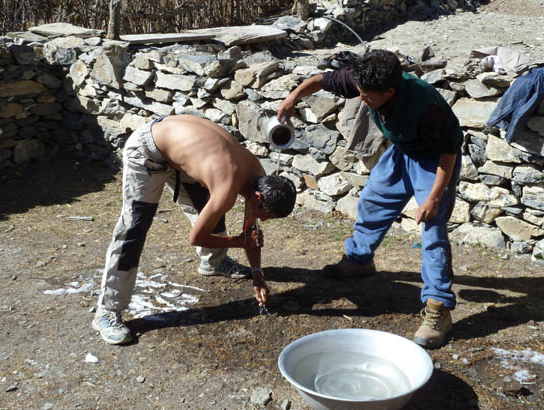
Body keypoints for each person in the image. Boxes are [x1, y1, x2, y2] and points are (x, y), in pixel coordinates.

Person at [277, 49, 463, 348]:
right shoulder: (365, 78)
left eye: (367, 96)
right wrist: (292, 97)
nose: (362, 99)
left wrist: (434, 197)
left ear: (390, 90)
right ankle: (360, 261)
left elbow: (448, 153)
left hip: (433, 160)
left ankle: (438, 308)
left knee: (433, 232)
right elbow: (320, 81)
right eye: (359, 92)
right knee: (373, 201)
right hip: (402, 151)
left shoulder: (425, 106)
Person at [93, 115, 296, 345]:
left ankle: (214, 262)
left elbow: (250, 231)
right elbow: (197, 237)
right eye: (267, 216)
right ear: (258, 197)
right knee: (134, 228)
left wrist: (258, 273)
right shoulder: (227, 187)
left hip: (182, 153)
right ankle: (108, 311)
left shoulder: (259, 176)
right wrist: (239, 241)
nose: (264, 221)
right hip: (148, 150)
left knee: (208, 210)